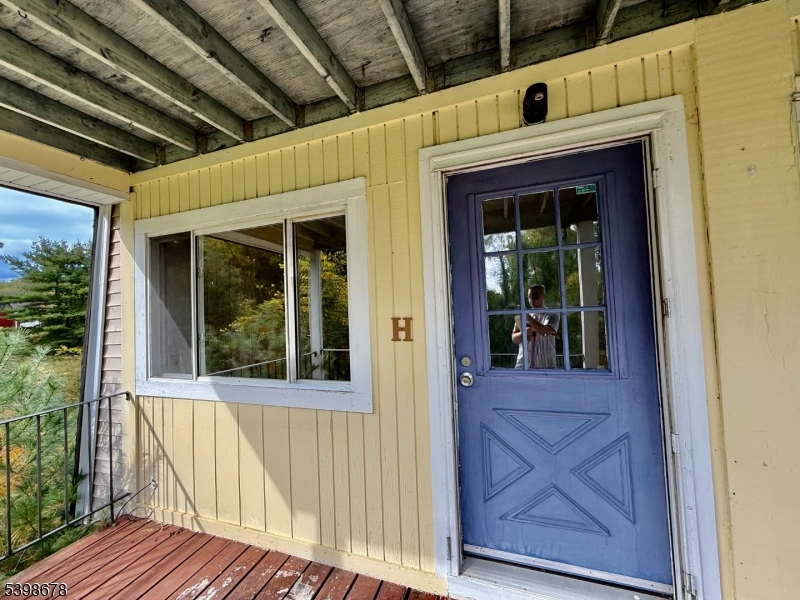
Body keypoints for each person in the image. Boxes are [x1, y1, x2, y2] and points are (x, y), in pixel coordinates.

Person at [512, 285, 560, 369]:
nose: (532, 300)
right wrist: (523, 334)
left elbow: (545, 332)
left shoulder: (553, 314)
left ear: (544, 296)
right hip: (523, 366)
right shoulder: (522, 315)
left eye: (535, 297)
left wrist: (528, 317)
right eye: (530, 297)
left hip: (545, 366)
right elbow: (514, 338)